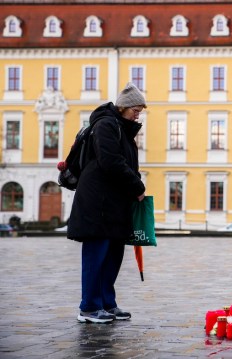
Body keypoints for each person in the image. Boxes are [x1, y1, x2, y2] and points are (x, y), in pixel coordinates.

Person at [67, 82, 146, 323]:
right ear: (123, 107)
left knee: (112, 257)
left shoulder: (122, 129)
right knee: (96, 256)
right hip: (97, 204)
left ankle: (107, 304)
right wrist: (137, 186)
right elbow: (111, 162)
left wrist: (134, 182)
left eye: (140, 110)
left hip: (113, 204)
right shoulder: (106, 125)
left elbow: (126, 165)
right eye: (135, 109)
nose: (138, 113)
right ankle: (89, 307)